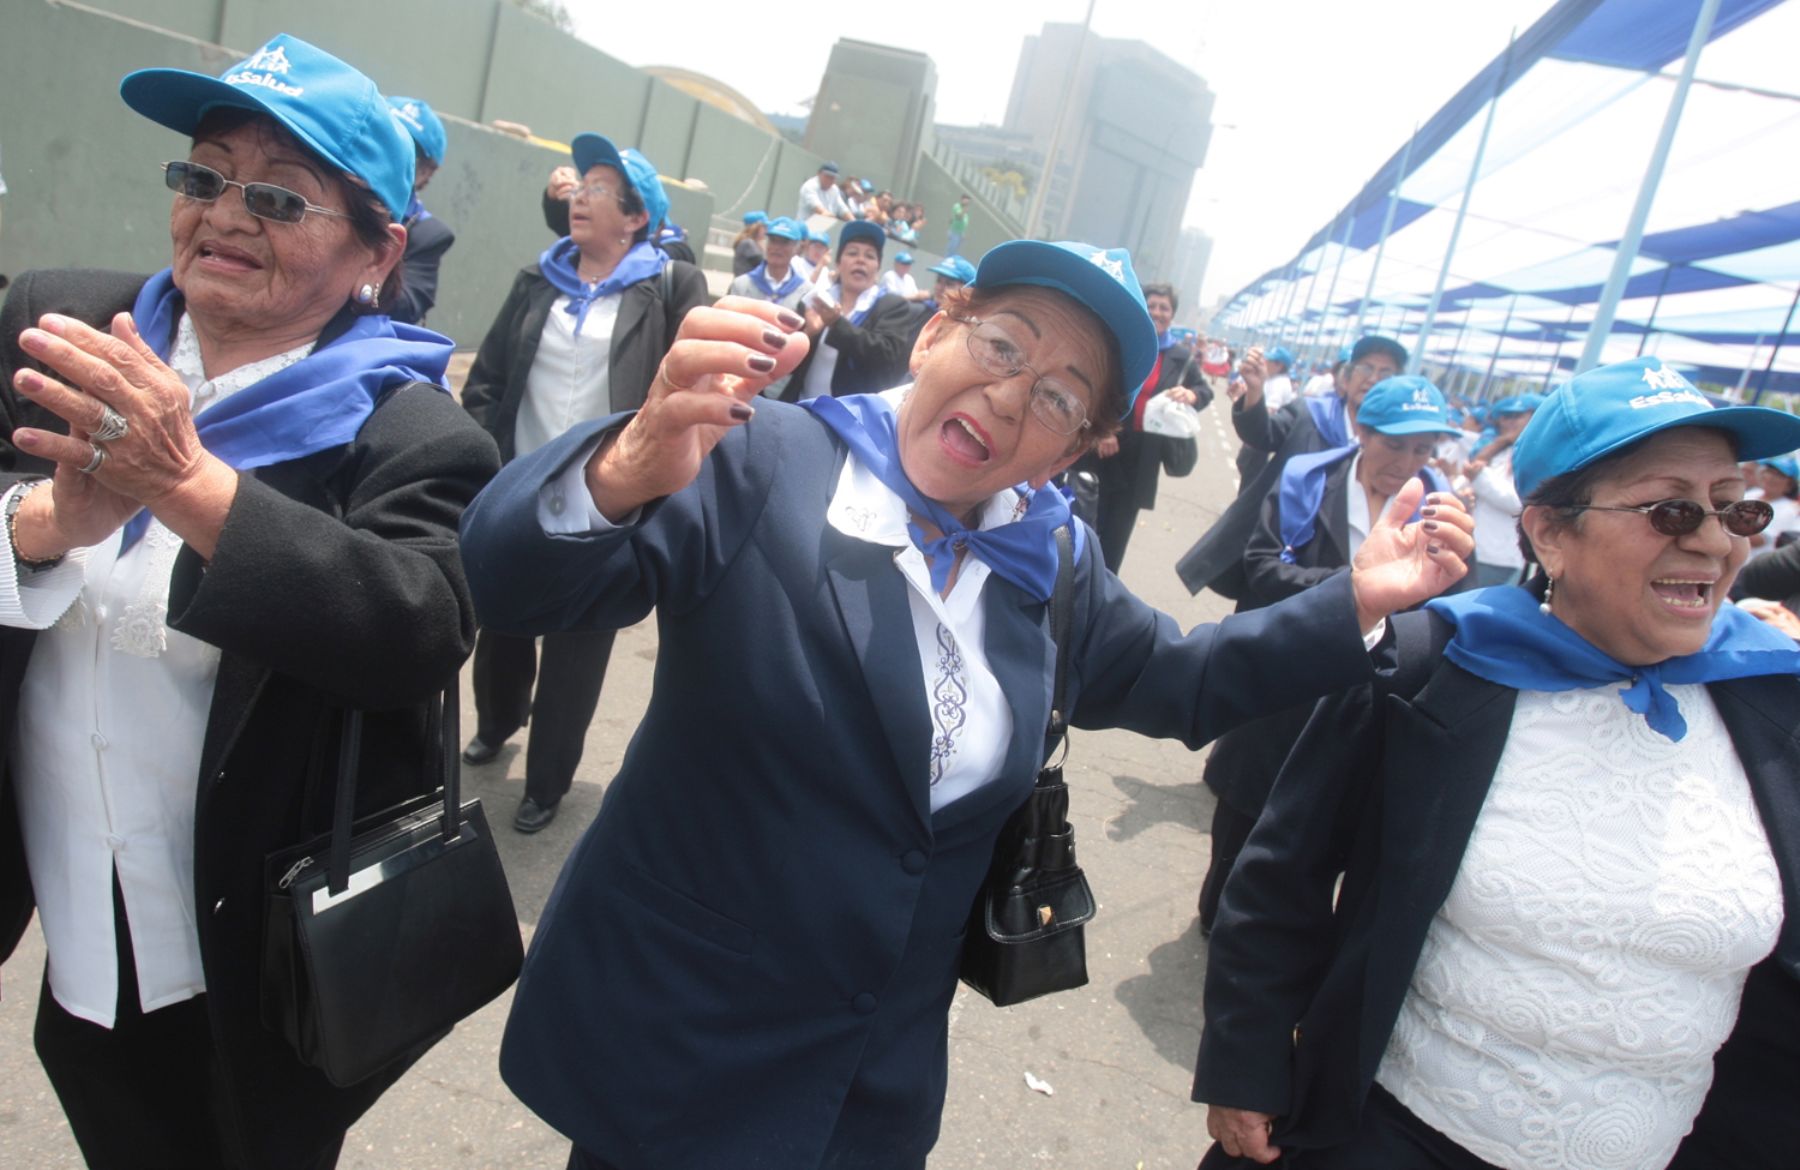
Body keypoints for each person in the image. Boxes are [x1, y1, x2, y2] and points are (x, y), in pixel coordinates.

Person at [457, 236, 1475, 1170]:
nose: (1008, 395)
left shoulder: (1053, 560)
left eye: (1058, 399)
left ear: (1077, 450)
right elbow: (513, 586)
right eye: (999, 345)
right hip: (681, 1049)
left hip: (867, 1087)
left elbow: (1188, 678)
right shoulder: (760, 459)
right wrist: (626, 463)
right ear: (939, 331)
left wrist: (1361, 598)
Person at [0, 34, 499, 1169]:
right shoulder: (58, 334)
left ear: (379, 252)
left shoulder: (408, 430)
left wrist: (186, 486)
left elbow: (415, 632)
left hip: (263, 964)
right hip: (73, 927)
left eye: (280, 195)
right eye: (205, 173)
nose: (226, 213)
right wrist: (43, 528)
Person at [1194, 355, 1800, 1170]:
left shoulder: (1771, 693)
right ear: (1551, 530)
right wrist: (1248, 1063)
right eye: (1670, 511)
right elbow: (1282, 873)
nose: (1714, 542)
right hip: (1399, 1134)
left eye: (1736, 511)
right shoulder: (1436, 664)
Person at [458, 131, 707, 834]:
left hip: (608, 499)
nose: (579, 198)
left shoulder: (667, 286)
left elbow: (684, 389)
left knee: (579, 643)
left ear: (635, 217)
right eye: (580, 186)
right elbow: (490, 381)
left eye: (599, 190)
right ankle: (499, 718)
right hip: (522, 482)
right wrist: (486, 461)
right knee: (502, 618)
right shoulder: (538, 279)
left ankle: (547, 782)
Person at [1195, 376, 1460, 933]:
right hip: (1283, 683)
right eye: (1394, 444)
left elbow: (1451, 611)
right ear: (1361, 429)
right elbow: (1263, 568)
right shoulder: (1307, 481)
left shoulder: (1440, 513)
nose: (1407, 461)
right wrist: (1358, 587)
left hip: (1366, 697)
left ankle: (1277, 943)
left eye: (1423, 448)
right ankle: (1217, 923)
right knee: (1244, 819)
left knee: (1321, 836)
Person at [1177, 335, 1407, 599]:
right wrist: (1254, 392)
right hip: (1279, 562)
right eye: (1367, 368)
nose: (1374, 378)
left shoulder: (1397, 447)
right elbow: (1262, 434)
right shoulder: (1309, 415)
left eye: (1386, 372)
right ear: (1347, 377)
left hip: (1338, 574)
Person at [1072, 281, 1210, 573]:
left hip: (1142, 460)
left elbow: (1203, 389)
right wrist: (1104, 429)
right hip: (1102, 449)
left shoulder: (1180, 357)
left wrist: (1192, 395)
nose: (1157, 312)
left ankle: (1100, 597)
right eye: (1152, 306)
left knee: (1115, 539)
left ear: (1172, 315)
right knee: (1081, 524)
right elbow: (1098, 386)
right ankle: (1068, 584)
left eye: (1164, 307)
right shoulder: (1124, 342)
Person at [783, 219, 914, 401]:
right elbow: (787, 363)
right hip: (798, 406)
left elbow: (886, 358)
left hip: (849, 418)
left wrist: (836, 324)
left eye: (870, 256)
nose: (860, 260)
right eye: (852, 253)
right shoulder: (815, 301)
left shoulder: (892, 306)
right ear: (838, 264)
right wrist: (809, 333)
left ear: (878, 268)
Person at [382, 96, 454, 327]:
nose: (389, 154)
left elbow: (407, 306)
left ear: (427, 172)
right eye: (383, 137)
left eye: (407, 151)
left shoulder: (428, 233)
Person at [728, 216, 814, 400]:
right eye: (773, 240)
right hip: (740, 374)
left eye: (784, 242)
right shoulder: (742, 285)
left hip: (782, 383)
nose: (776, 247)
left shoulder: (806, 292)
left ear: (797, 248)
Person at [1463, 393, 1542, 587]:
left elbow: (1522, 501)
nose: (1509, 422)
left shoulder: (1537, 453)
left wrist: (1480, 479)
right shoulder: (1502, 450)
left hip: (1499, 557)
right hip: (1476, 547)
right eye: (1506, 416)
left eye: (1518, 416)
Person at [1748, 453, 1799, 557]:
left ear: (1789, 484)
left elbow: (1759, 540)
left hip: (1754, 566)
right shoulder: (1751, 494)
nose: (1771, 478)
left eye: (1779, 475)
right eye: (1769, 472)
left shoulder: (1788, 509)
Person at [732, 211, 767, 277]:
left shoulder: (748, 242)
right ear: (755, 228)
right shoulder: (748, 244)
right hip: (744, 286)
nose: (766, 230)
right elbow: (765, 267)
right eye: (764, 227)